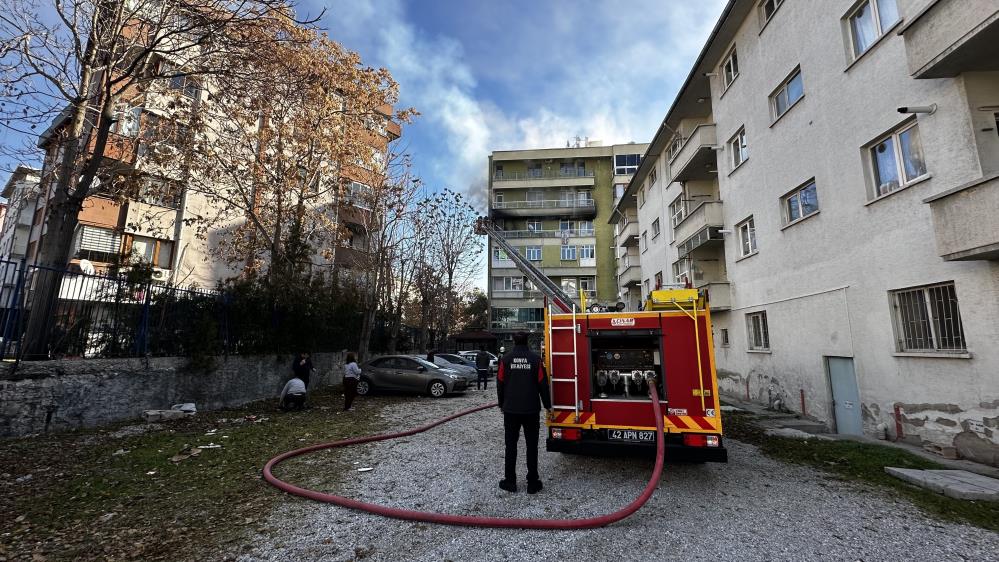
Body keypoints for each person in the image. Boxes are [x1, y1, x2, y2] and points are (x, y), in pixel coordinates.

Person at [496, 332, 551, 494]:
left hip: (511, 410)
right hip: (531, 409)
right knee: (531, 446)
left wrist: (502, 404)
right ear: (527, 341)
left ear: (513, 341)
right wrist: (548, 405)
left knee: (510, 446)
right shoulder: (535, 360)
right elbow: (543, 384)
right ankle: (533, 483)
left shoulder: (505, 360)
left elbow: (500, 384)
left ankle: (510, 482)